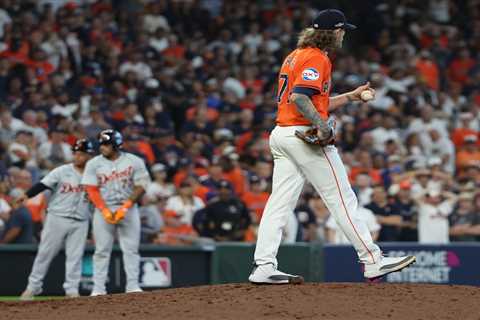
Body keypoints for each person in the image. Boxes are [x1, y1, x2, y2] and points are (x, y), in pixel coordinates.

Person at [248, 9, 415, 285]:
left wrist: (349, 97)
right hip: (303, 136)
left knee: (279, 203)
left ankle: (263, 265)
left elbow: (308, 99)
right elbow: (301, 98)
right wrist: (322, 126)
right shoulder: (317, 57)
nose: (343, 34)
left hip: (282, 134)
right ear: (333, 32)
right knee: (342, 198)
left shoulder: (295, 55)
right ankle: (372, 260)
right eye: (342, 30)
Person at [18, 139, 95, 300]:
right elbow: (43, 184)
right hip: (57, 217)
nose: (78, 156)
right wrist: (27, 195)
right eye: (77, 153)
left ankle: (72, 290)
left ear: (90, 155)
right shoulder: (63, 171)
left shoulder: (95, 175)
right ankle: (32, 287)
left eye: (82, 154)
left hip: (81, 220)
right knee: (44, 253)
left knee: (75, 257)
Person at [81, 129, 151, 295]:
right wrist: (104, 210)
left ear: (116, 145)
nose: (102, 147)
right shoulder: (93, 163)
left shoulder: (134, 161)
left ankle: (132, 286)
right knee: (101, 250)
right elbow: (90, 189)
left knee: (131, 249)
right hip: (102, 208)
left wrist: (125, 207)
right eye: (101, 144)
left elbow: (141, 186)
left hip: (129, 208)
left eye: (106, 144)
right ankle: (98, 289)